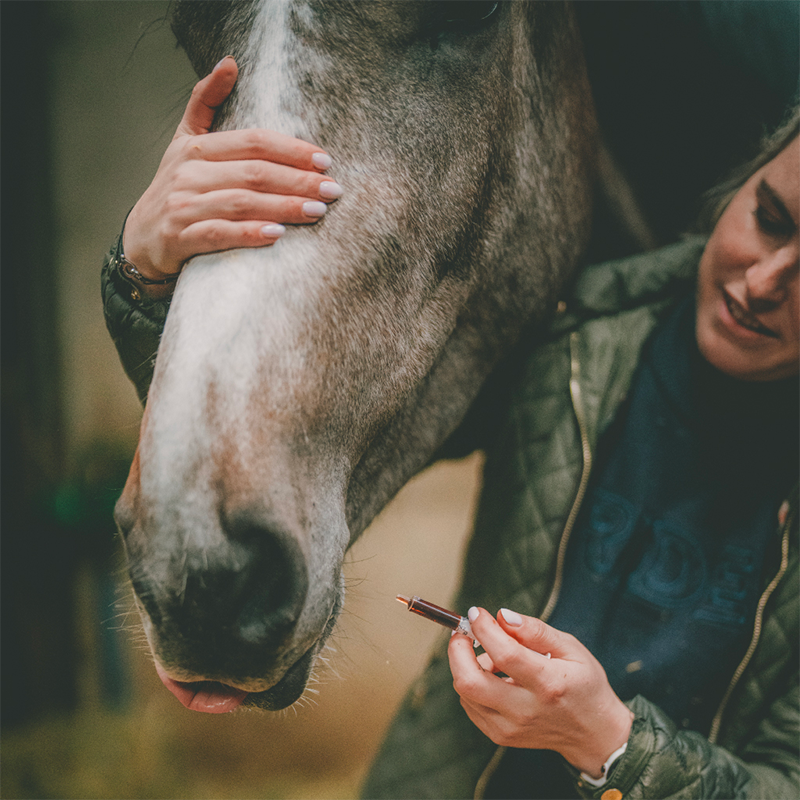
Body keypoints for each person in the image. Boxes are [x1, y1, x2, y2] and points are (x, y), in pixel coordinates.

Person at [103, 41, 800, 800]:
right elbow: (273, 430)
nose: (765, 282)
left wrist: (612, 747)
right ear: (735, 190)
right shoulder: (571, 331)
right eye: (769, 219)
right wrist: (143, 271)